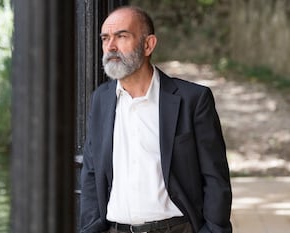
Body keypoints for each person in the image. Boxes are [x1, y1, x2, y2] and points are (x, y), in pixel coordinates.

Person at [79, 6, 232, 233]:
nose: (110, 46)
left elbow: (215, 179)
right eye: (105, 38)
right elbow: (91, 174)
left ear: (149, 44)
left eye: (121, 36)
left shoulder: (193, 100)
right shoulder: (101, 99)